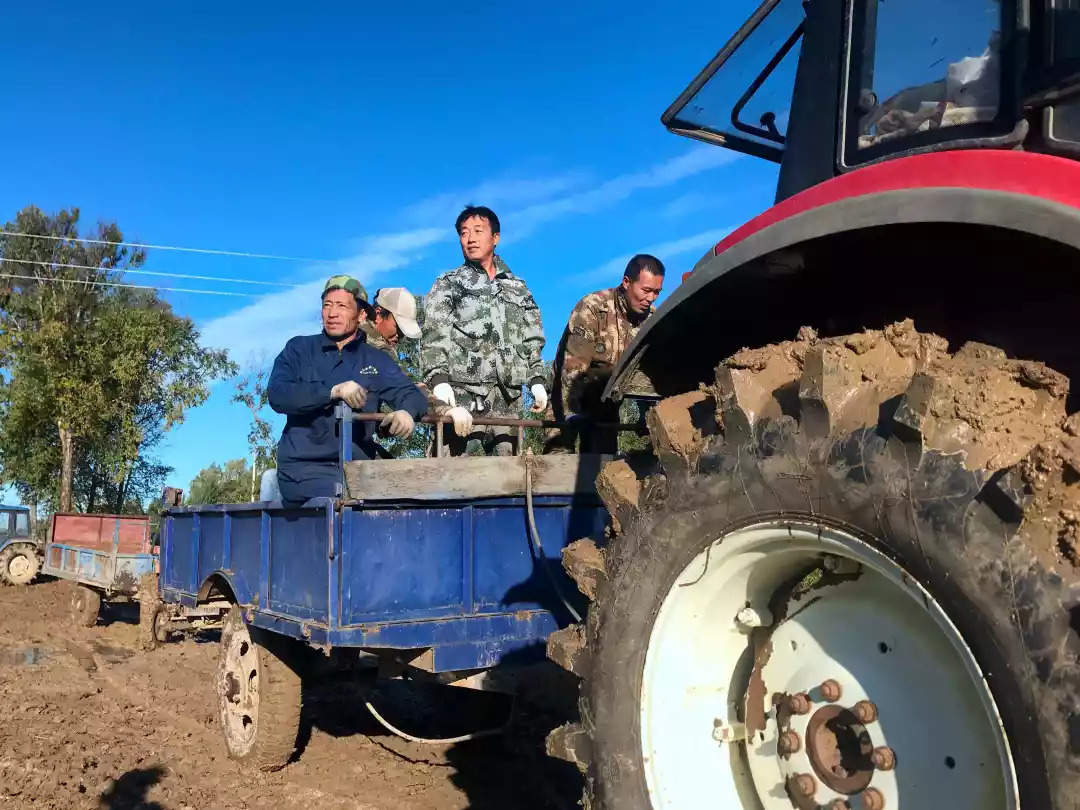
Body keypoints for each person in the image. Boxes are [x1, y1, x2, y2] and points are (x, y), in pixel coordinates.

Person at [265, 275, 430, 506]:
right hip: (303, 472)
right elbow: (278, 394)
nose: (332, 314)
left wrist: (406, 412)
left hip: (359, 472)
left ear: (362, 314)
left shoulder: (376, 360)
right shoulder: (299, 349)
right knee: (347, 499)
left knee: (414, 496)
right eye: (327, 305)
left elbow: (410, 394)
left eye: (342, 306)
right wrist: (332, 391)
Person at [421, 205, 548, 456]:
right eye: (464, 233)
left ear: (495, 238)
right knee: (453, 478)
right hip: (462, 396)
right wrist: (438, 381)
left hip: (507, 400)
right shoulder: (449, 283)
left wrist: (536, 380)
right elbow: (435, 336)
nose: (470, 239)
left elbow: (532, 338)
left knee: (508, 479)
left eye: (478, 231)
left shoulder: (518, 288)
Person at [544, 254, 665, 454]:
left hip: (606, 401)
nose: (650, 298)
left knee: (603, 468)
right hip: (568, 395)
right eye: (646, 290)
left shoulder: (652, 319)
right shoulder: (592, 308)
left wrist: (650, 415)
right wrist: (572, 414)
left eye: (656, 292)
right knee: (558, 464)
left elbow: (649, 374)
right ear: (627, 282)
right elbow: (574, 365)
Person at [360, 287, 422, 361]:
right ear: (378, 314)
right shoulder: (361, 334)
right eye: (398, 327)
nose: (399, 335)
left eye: (403, 331)